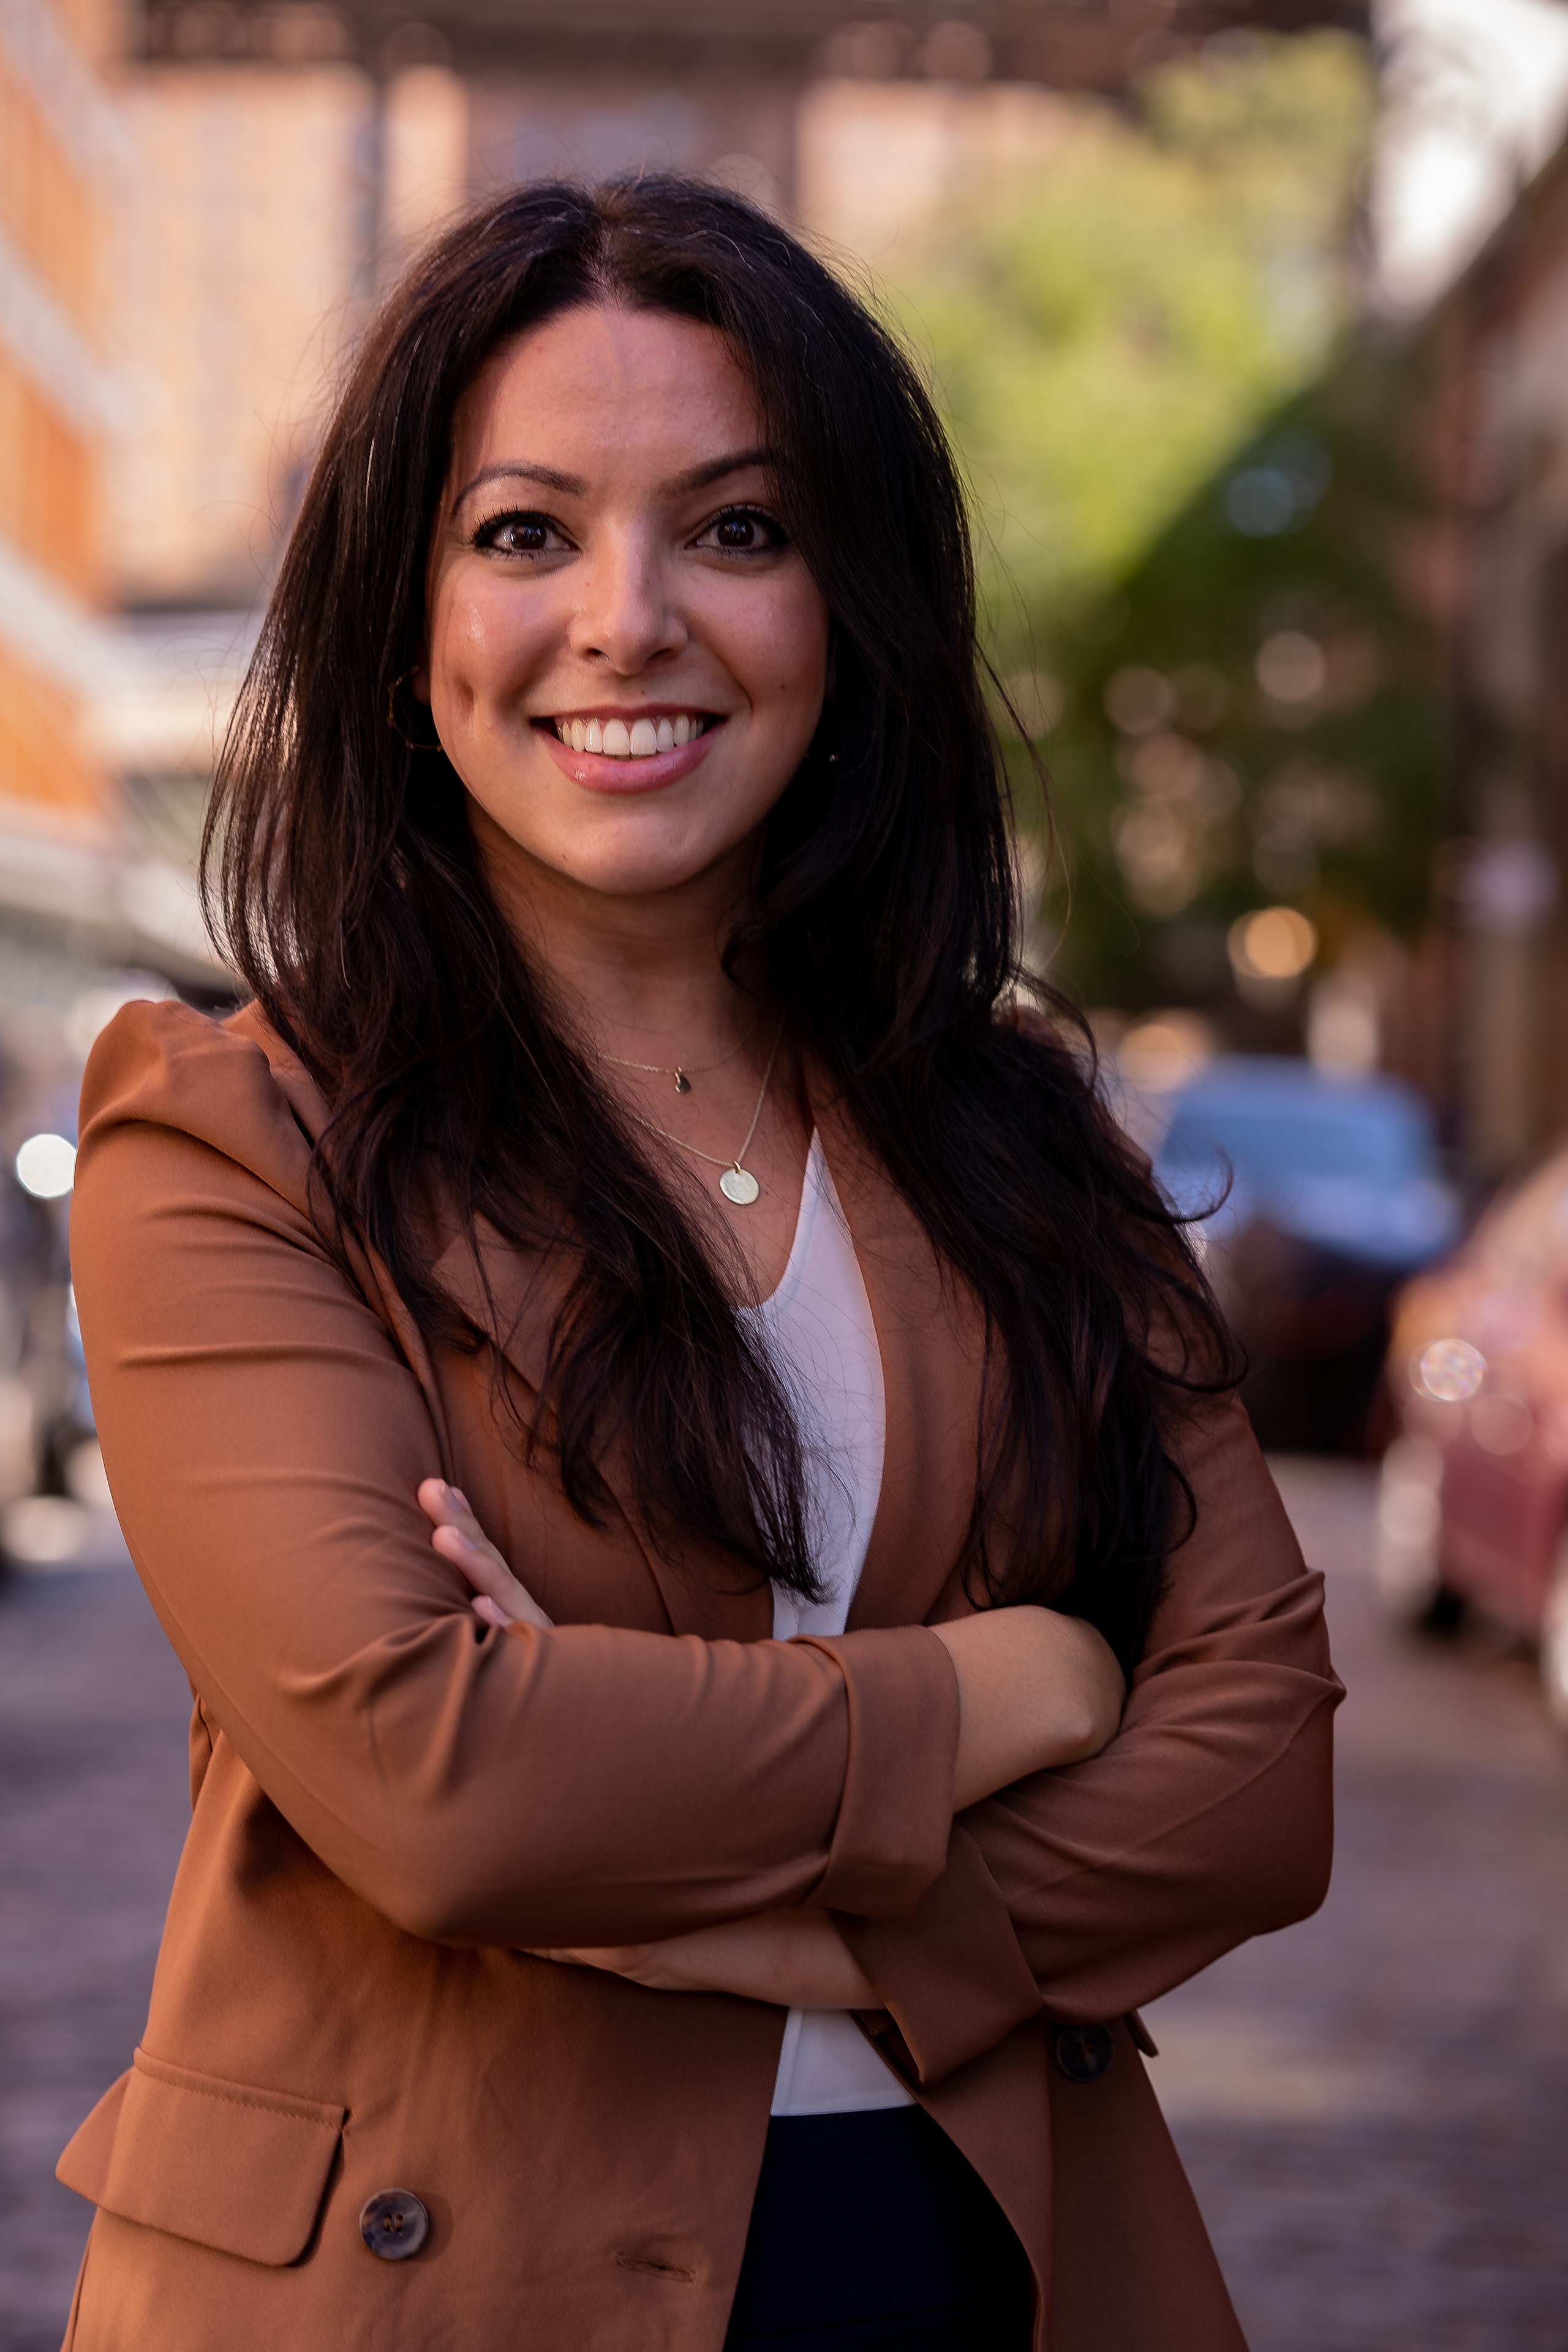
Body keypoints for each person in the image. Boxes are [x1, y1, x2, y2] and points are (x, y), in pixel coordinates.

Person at [57, 178, 1340, 2352]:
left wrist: (786, 1934)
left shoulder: (1018, 1138)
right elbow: (442, 1783)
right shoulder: (225, 1135)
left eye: (736, 530)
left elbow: (1259, 1776)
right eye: (526, 533)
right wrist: (1007, 1689)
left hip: (981, 2257)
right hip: (430, 2284)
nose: (630, 621)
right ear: (408, 615)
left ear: (851, 606)